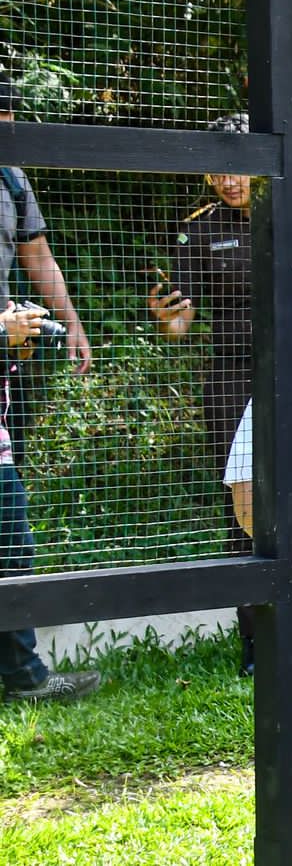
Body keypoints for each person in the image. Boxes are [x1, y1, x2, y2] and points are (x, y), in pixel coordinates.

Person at [147, 112, 292, 674]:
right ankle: (258, 643)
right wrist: (169, 323)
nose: (227, 181)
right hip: (235, 381)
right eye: (216, 172)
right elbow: (180, 321)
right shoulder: (198, 229)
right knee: (247, 508)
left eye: (237, 169)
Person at [0, 75, 100, 704]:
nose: (11, 132)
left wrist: (71, 323)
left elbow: (37, 257)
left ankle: (22, 676)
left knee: (10, 528)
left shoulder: (12, 179)